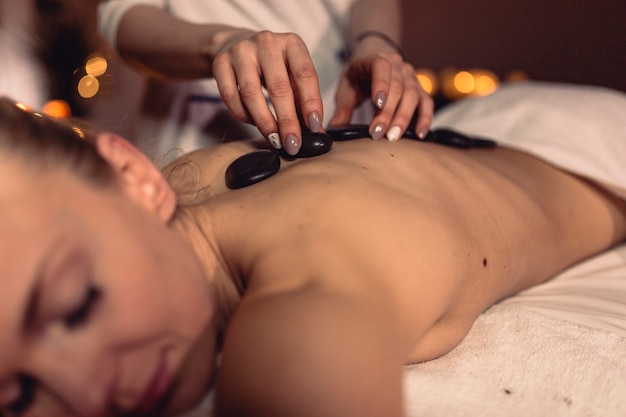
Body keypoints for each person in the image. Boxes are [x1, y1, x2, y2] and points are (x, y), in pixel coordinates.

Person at [0, 82, 625, 417]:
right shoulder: (181, 187)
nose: (85, 394)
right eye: (19, 397)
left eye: (77, 303)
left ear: (136, 179)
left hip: (593, 146)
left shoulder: (316, 282)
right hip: (470, 131)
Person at [97, 0, 434, 157]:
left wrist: (375, 42)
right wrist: (221, 44)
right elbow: (122, 19)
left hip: (348, 136)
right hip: (203, 157)